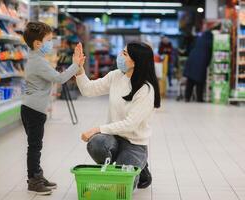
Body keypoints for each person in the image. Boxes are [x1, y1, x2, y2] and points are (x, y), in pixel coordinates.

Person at [75, 42, 161, 189]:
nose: (120, 56)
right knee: (96, 143)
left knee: (121, 187)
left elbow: (130, 124)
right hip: (114, 138)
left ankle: (141, 168)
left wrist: (97, 129)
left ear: (135, 61)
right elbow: (88, 90)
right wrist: (79, 68)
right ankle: (111, 169)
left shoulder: (145, 89)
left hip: (134, 143)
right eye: (122, 51)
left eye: (125, 54)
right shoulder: (116, 76)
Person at [21, 22, 84, 195]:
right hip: (34, 111)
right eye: (49, 40)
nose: (51, 43)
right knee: (35, 146)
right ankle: (34, 181)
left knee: (36, 145)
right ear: (37, 44)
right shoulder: (38, 62)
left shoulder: (36, 59)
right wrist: (76, 64)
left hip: (32, 109)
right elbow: (61, 78)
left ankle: (37, 176)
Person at [183, 25, 213, 102]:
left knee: (190, 81)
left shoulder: (198, 39)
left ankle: (187, 97)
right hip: (201, 63)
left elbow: (190, 48)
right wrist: (208, 63)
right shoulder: (209, 42)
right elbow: (209, 55)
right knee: (200, 82)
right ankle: (199, 98)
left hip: (191, 60)